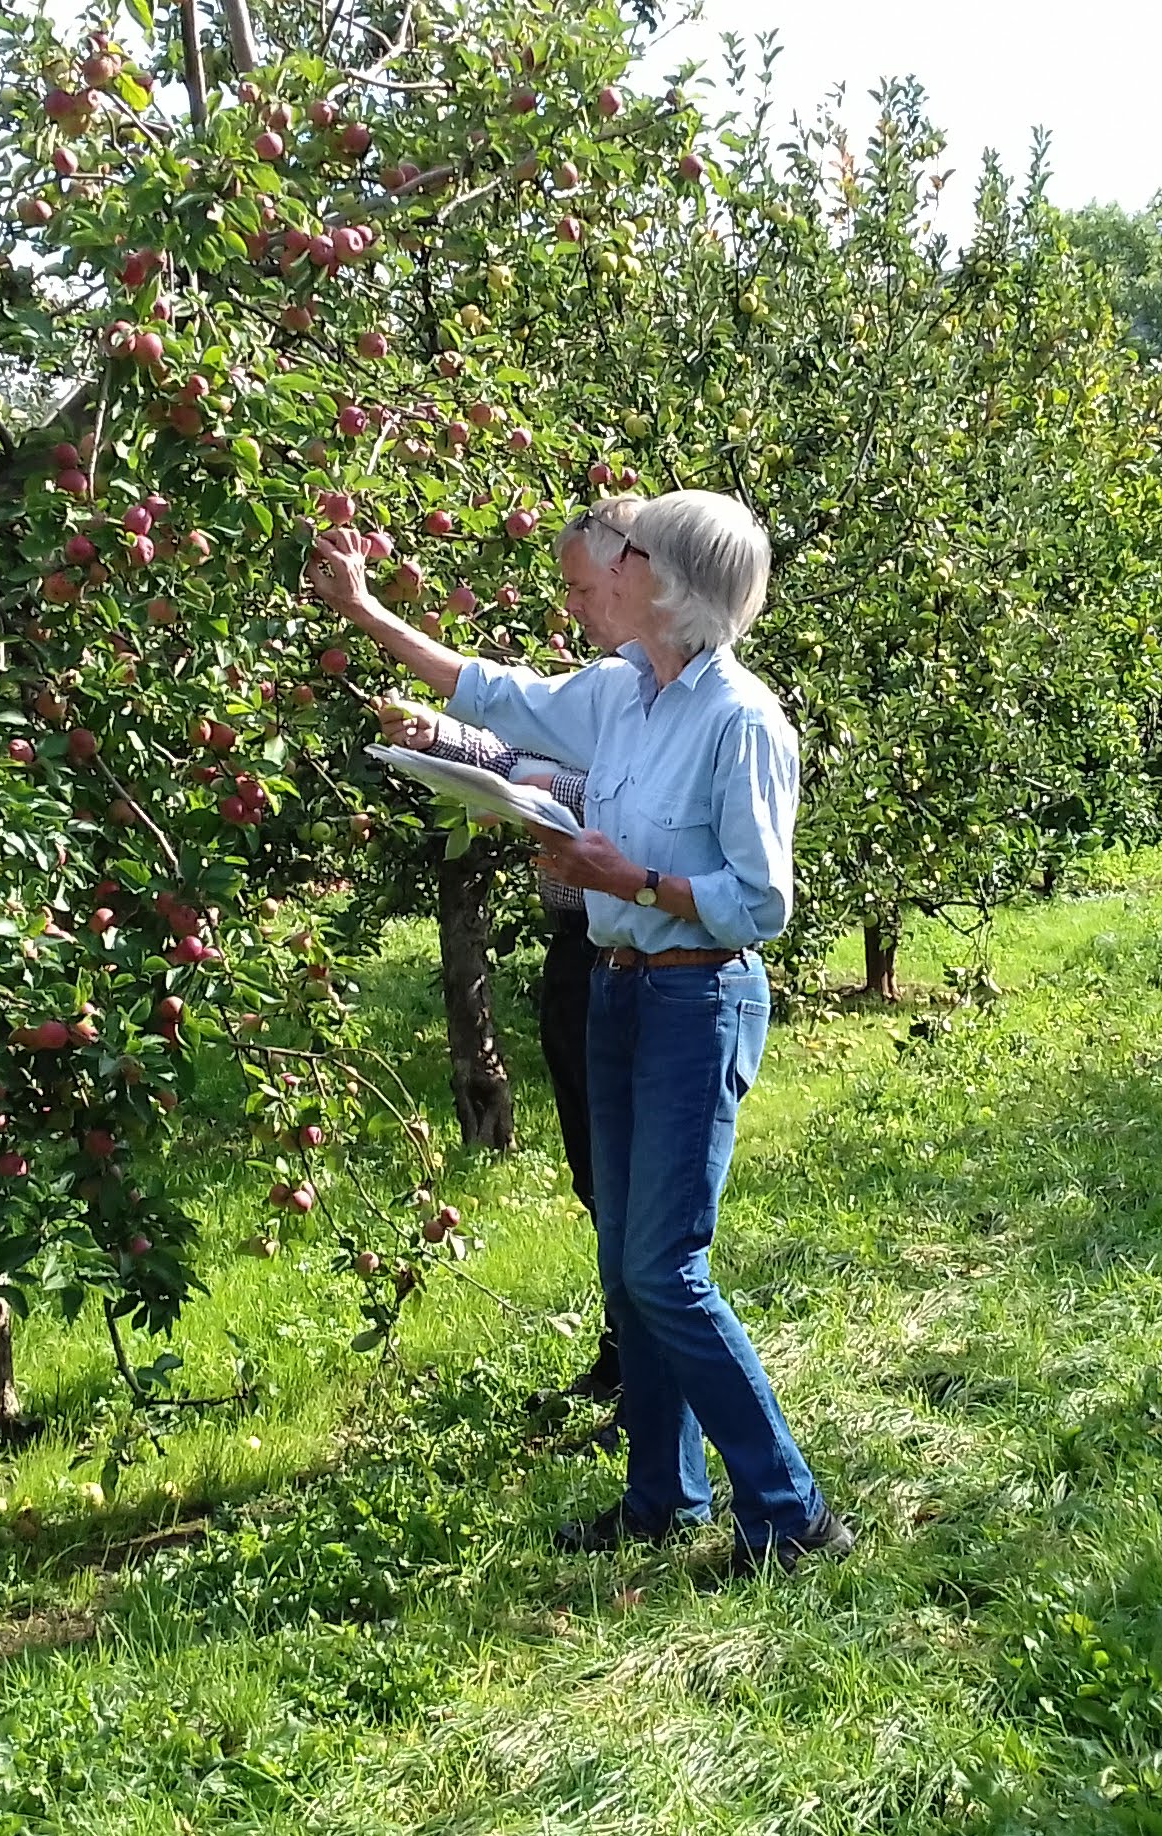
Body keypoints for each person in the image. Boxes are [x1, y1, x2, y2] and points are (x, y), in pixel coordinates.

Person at [308, 490, 851, 1573]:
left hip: (700, 997)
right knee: (624, 1262)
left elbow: (760, 902)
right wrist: (366, 612)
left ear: (675, 580)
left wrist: (630, 875)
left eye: (632, 551)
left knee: (666, 1268)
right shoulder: (624, 696)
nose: (612, 563)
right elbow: (495, 695)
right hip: (618, 991)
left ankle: (793, 1518)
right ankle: (661, 1499)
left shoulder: (743, 721)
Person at [369, 694, 621, 1403]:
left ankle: (652, 1385)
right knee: (595, 1174)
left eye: (585, 586)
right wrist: (440, 736)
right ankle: (626, 1354)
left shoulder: (678, 690)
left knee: (634, 1194)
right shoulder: (607, 680)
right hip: (579, 949)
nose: (574, 605)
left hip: (638, 955)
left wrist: (550, 793)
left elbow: (643, 797)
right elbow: (516, 755)